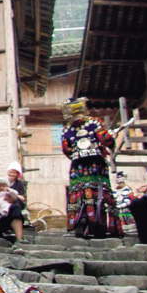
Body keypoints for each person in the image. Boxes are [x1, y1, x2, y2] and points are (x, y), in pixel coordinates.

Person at [60, 98, 122, 239]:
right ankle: (99, 225)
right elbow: (105, 139)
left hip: (78, 165)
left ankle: (80, 222)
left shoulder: (67, 128)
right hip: (96, 163)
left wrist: (77, 156)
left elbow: (66, 149)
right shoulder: (94, 122)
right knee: (98, 192)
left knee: (80, 193)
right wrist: (112, 139)